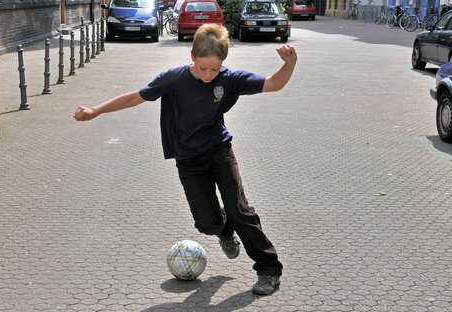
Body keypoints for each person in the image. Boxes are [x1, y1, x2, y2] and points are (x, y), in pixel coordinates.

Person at [73, 23, 297, 296]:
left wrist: (290, 63)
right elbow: (135, 97)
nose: (209, 74)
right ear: (192, 57)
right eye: (204, 67)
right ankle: (224, 231)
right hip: (189, 159)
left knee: (239, 209)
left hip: (219, 150)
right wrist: (96, 111)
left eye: (215, 69)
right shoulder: (173, 79)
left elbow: (273, 84)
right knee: (206, 222)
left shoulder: (228, 79)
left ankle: (269, 269)